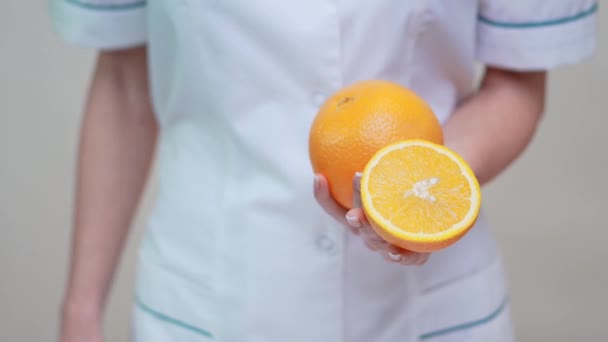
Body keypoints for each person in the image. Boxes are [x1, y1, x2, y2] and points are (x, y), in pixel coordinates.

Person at [52, 1, 597, 341]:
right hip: (203, 298)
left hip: (427, 305)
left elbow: (517, 82)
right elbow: (125, 83)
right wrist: (81, 311)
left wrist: (420, 189)